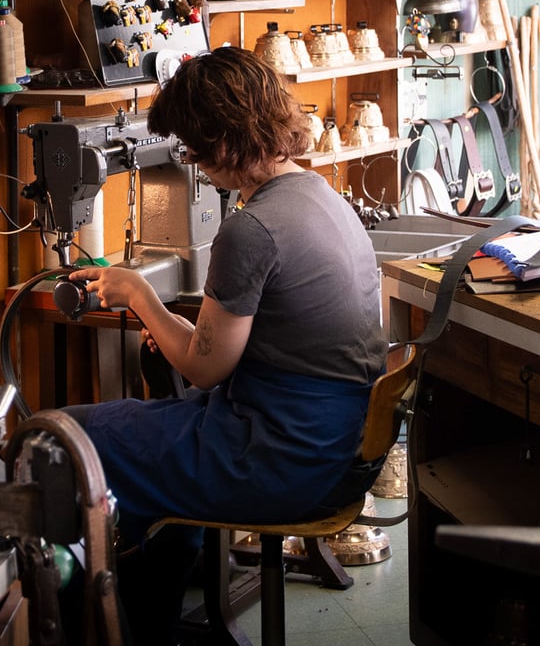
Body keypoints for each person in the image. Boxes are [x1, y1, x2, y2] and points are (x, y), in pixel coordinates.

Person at [63, 47, 387, 643]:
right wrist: (167, 320)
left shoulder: (251, 229)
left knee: (68, 436)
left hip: (284, 459)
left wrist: (138, 294)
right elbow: (238, 350)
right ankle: (153, 622)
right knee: (150, 440)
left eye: (192, 150)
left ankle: (116, 630)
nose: (194, 163)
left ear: (221, 143)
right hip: (336, 448)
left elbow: (206, 369)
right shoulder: (322, 196)